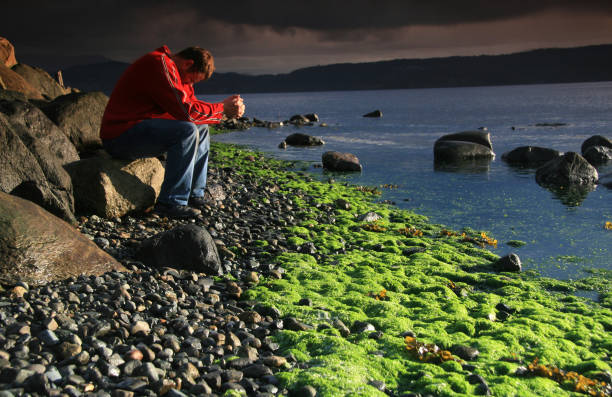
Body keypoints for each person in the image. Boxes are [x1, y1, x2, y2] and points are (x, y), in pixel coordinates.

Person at [100, 45, 245, 218]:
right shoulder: (159, 65)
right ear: (188, 64)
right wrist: (222, 108)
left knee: (201, 128)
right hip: (119, 136)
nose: (190, 85)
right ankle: (170, 202)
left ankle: (194, 194)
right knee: (187, 131)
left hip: (140, 130)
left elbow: (192, 110)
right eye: (191, 80)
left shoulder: (175, 72)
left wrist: (222, 110)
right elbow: (185, 110)